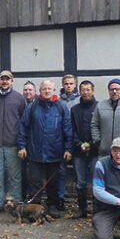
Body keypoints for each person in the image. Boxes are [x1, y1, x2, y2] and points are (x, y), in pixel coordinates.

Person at [18, 80, 73, 218]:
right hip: (34, 152)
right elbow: (23, 127)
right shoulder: (32, 107)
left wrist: (68, 149)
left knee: (52, 182)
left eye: (49, 89)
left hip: (55, 152)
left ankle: (52, 206)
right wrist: (21, 146)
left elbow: (68, 130)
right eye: (44, 89)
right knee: (34, 181)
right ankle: (34, 207)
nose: (47, 91)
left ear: (54, 91)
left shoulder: (62, 107)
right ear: (40, 91)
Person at [0, 70, 26, 215]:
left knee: (14, 175)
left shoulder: (19, 99)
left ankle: (15, 203)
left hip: (12, 142)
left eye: (7, 79)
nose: (4, 82)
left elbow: (23, 120)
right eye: (2, 79)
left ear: (12, 81)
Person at [71, 80, 98, 219]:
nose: (85, 92)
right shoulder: (75, 109)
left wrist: (92, 145)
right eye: (83, 90)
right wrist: (79, 144)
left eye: (88, 89)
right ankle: (82, 209)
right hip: (78, 151)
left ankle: (97, 210)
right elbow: (72, 129)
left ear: (93, 91)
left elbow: (100, 129)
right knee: (81, 182)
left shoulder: (99, 107)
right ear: (79, 91)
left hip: (95, 151)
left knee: (96, 182)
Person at [55, 74, 80, 211]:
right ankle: (60, 198)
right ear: (63, 85)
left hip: (77, 140)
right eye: (66, 84)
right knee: (61, 171)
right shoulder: (58, 102)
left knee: (79, 172)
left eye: (71, 83)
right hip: (62, 141)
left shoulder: (80, 100)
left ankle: (80, 201)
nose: (68, 86)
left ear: (75, 85)